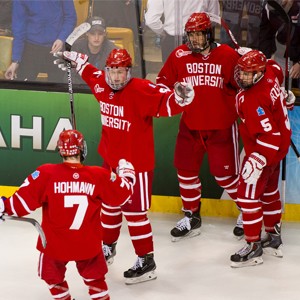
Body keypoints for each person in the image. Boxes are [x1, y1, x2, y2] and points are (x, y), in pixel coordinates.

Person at [53, 48, 195, 284]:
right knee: (109, 206)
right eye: (113, 71)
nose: (117, 77)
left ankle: (146, 260)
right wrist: (75, 59)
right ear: (108, 70)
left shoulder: (140, 89)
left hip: (136, 166)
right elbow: (89, 71)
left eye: (121, 72)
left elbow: (167, 103)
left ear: (129, 72)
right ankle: (108, 247)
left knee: (135, 213)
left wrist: (181, 98)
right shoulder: (101, 83)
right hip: (110, 162)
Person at [0, 129, 135, 300]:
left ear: (61, 151)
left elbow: (20, 204)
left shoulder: (46, 174)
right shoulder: (98, 175)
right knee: (96, 279)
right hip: (87, 245)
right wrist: (127, 176)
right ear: (82, 149)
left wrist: (3, 206)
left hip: (55, 245)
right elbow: (121, 196)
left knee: (52, 278)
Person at [156, 12, 243, 241]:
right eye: (191, 35)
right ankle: (191, 216)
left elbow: (243, 87)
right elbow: (162, 83)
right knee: (185, 172)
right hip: (190, 126)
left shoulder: (227, 55)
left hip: (221, 127)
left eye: (199, 34)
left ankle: (248, 210)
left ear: (209, 34)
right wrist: (172, 93)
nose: (194, 40)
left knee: (226, 177)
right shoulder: (179, 55)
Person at [230, 50, 293, 267]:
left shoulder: (252, 98)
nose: (243, 77)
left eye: (249, 74)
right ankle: (273, 237)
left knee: (247, 196)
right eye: (243, 73)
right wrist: (285, 100)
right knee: (269, 192)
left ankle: (253, 247)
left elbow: (269, 135)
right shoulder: (271, 72)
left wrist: (257, 161)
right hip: (279, 150)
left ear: (259, 73)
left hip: (265, 150)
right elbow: (275, 66)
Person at [5, 0, 76, 82]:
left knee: (59, 90)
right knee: (23, 89)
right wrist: (16, 60)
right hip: (30, 48)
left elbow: (71, 17)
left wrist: (61, 38)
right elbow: (18, 28)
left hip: (57, 48)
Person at [145, 0, 220, 62]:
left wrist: (164, 33)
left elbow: (151, 20)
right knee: (198, 77)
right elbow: (214, 17)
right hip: (199, 38)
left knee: (173, 78)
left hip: (171, 40)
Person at [70, 16, 117, 84]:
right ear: (87, 33)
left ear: (105, 34)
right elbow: (69, 77)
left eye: (100, 34)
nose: (96, 38)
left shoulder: (113, 51)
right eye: (92, 33)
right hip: (81, 89)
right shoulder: (76, 48)